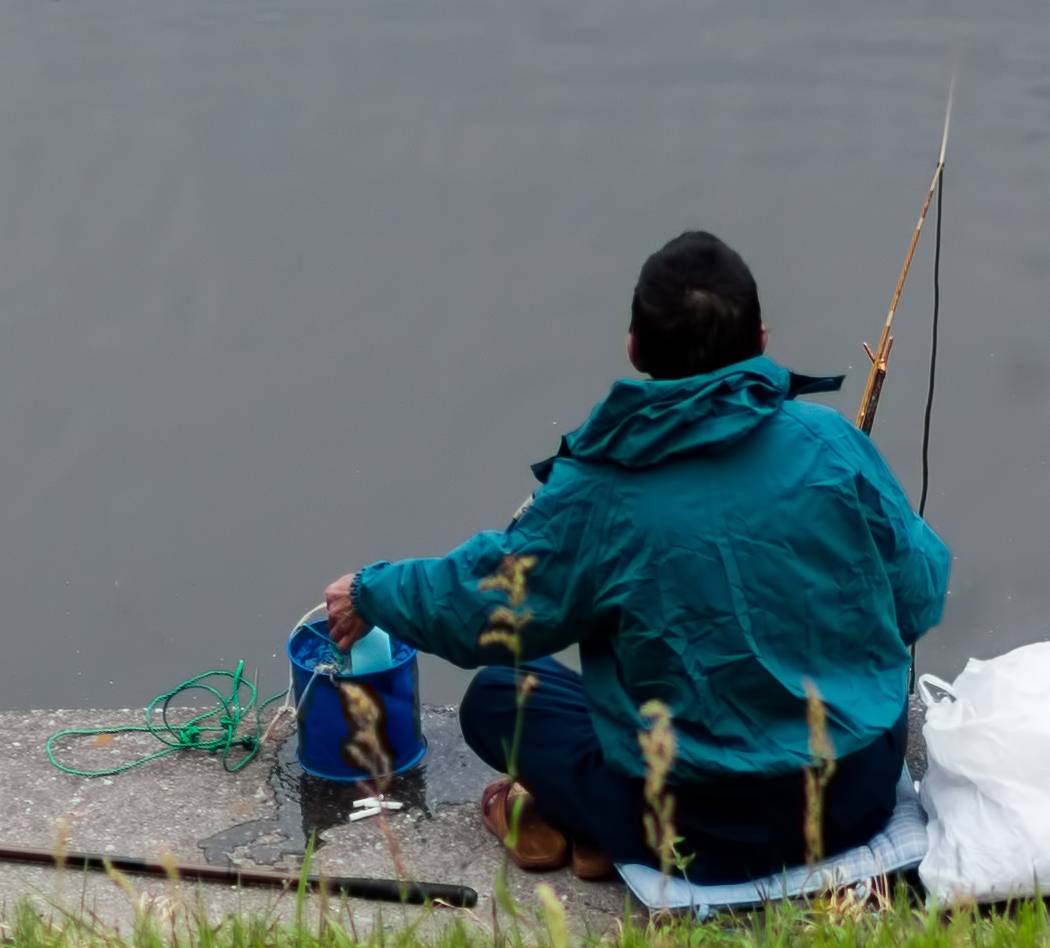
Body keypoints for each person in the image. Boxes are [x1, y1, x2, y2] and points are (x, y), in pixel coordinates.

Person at [321, 229, 950, 881]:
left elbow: (480, 601)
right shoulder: (832, 445)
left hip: (688, 828)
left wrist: (372, 591)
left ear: (634, 347)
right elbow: (923, 590)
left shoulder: (599, 492)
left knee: (496, 699)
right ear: (761, 338)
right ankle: (583, 823)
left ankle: (580, 818)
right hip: (854, 798)